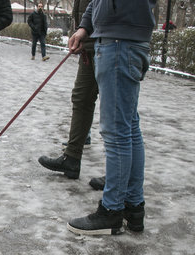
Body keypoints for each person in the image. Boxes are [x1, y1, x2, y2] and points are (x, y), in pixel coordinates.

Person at [66, 0, 155, 235]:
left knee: (117, 132)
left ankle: (112, 210)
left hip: (119, 42)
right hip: (119, 40)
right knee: (128, 128)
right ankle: (133, 206)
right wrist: (85, 27)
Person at [38, 0, 97, 179]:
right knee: (80, 98)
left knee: (117, 111)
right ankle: (71, 158)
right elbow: (90, 8)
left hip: (108, 45)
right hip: (88, 45)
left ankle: (120, 178)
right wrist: (81, 32)